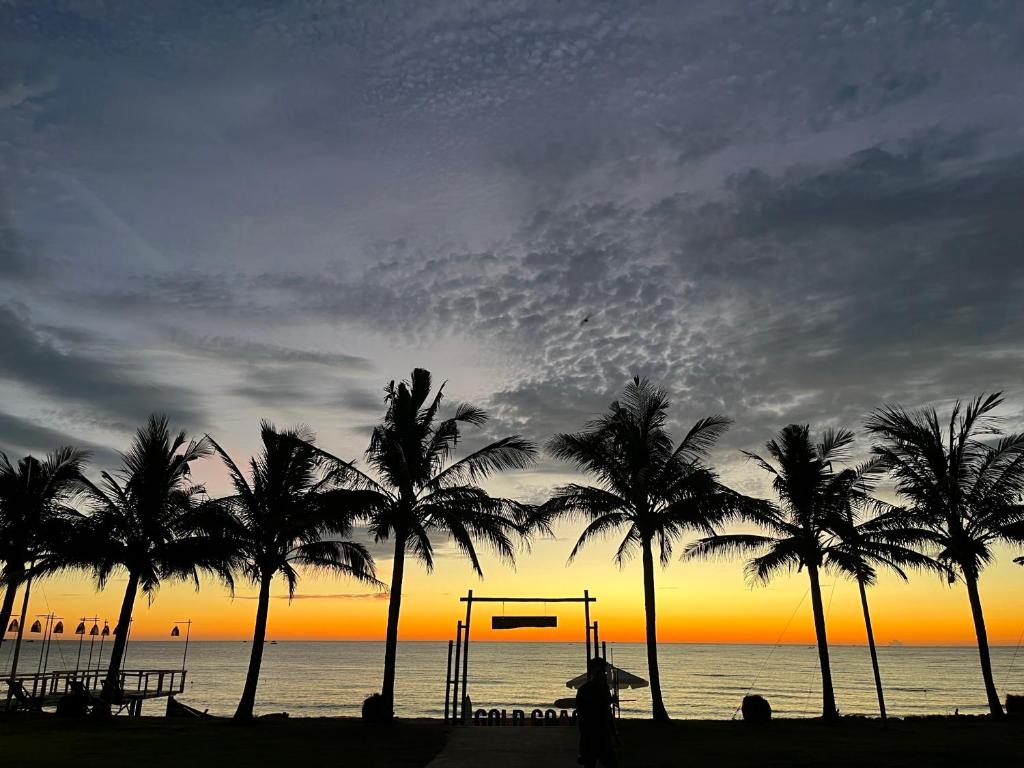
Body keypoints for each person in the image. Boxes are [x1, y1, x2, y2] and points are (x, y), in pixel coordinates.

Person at [576, 656, 618, 768]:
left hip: (604, 735)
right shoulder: (584, 690)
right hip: (591, 736)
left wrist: (614, 734)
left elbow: (607, 712)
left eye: (604, 672)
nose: (603, 674)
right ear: (593, 671)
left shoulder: (604, 688)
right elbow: (582, 717)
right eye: (600, 672)